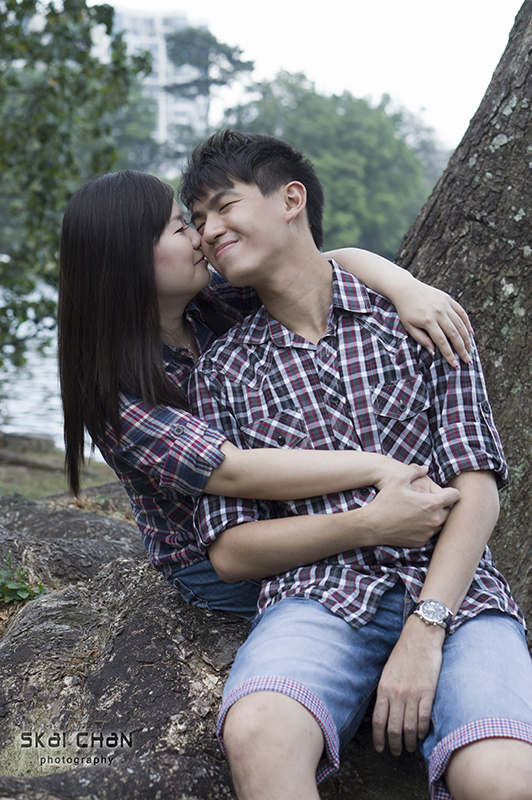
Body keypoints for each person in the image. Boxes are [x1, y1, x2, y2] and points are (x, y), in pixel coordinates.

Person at [183, 131, 532, 800]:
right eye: (197, 220)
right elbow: (231, 548)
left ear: (291, 200)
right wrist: (370, 524)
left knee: (505, 778)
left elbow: (479, 487)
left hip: (456, 594)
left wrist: (426, 628)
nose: (208, 230)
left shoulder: (420, 319)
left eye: (224, 206)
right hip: (318, 595)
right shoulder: (224, 369)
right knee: (258, 733)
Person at [57, 170, 469, 621]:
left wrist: (406, 288)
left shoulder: (216, 302)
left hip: (296, 516)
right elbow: (231, 471)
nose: (199, 238)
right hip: (221, 561)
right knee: (362, 607)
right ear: (127, 258)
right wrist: (378, 468)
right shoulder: (112, 392)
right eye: (179, 228)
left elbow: (321, 266)